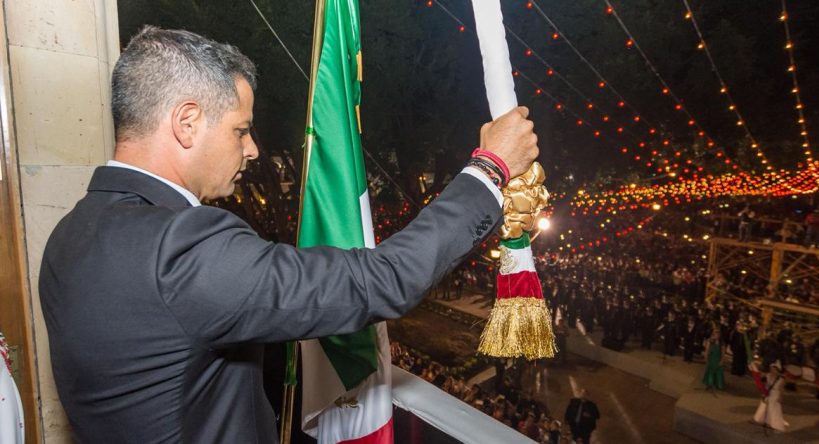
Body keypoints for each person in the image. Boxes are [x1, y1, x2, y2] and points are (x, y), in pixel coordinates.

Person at [38, 27, 539, 443]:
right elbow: (380, 280)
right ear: (186, 123)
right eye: (240, 130)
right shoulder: (179, 247)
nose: (252, 149)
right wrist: (489, 170)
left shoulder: (70, 234)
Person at [753, 362, 788, 432]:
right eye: (771, 369)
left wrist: (780, 397)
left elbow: (782, 389)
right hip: (769, 393)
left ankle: (777, 425)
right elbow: (761, 380)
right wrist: (755, 367)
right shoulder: (768, 375)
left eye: (774, 369)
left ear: (777, 370)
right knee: (765, 406)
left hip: (776, 394)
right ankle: (766, 420)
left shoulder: (782, 378)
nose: (772, 370)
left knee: (774, 409)